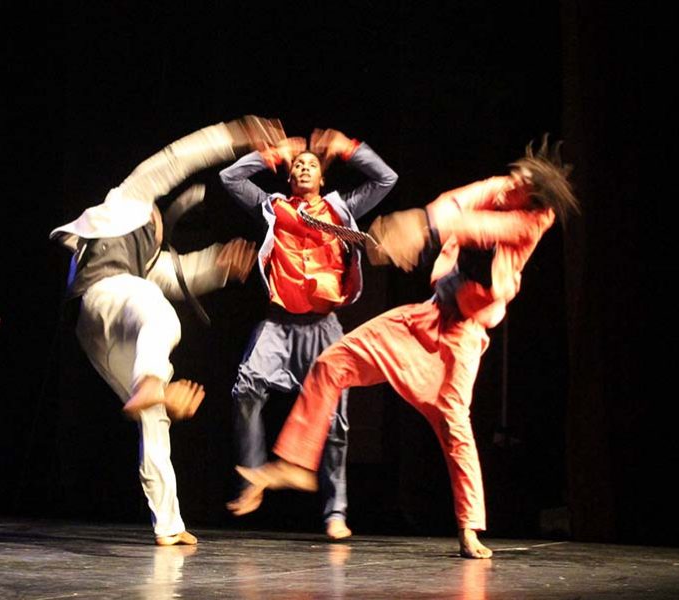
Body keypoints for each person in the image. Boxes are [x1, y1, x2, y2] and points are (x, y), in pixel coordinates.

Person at [231, 137, 579, 558]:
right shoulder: (505, 187)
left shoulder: (531, 221)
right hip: (428, 314)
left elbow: (481, 226)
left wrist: (423, 229)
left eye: (520, 186)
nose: (508, 187)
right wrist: (421, 222)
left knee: (454, 425)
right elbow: (457, 203)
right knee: (332, 363)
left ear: (535, 199)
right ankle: (297, 463)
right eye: (512, 178)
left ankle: (470, 527)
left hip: (462, 335)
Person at [50, 118, 278, 545]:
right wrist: (234, 135)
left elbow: (178, 274)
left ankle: (169, 524)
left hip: (93, 328)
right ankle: (152, 382)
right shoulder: (128, 200)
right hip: (103, 295)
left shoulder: (147, 259)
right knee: (162, 316)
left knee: (154, 416)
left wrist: (219, 265)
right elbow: (178, 159)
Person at [220, 128, 397, 539]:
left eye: (311, 164)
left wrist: (348, 148)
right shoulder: (273, 207)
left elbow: (386, 179)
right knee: (245, 390)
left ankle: (335, 512)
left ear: (322, 179)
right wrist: (271, 154)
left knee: (335, 422)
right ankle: (253, 478)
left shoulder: (341, 210)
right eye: (297, 164)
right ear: (288, 176)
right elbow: (231, 179)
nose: (303, 166)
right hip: (279, 324)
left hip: (324, 326)